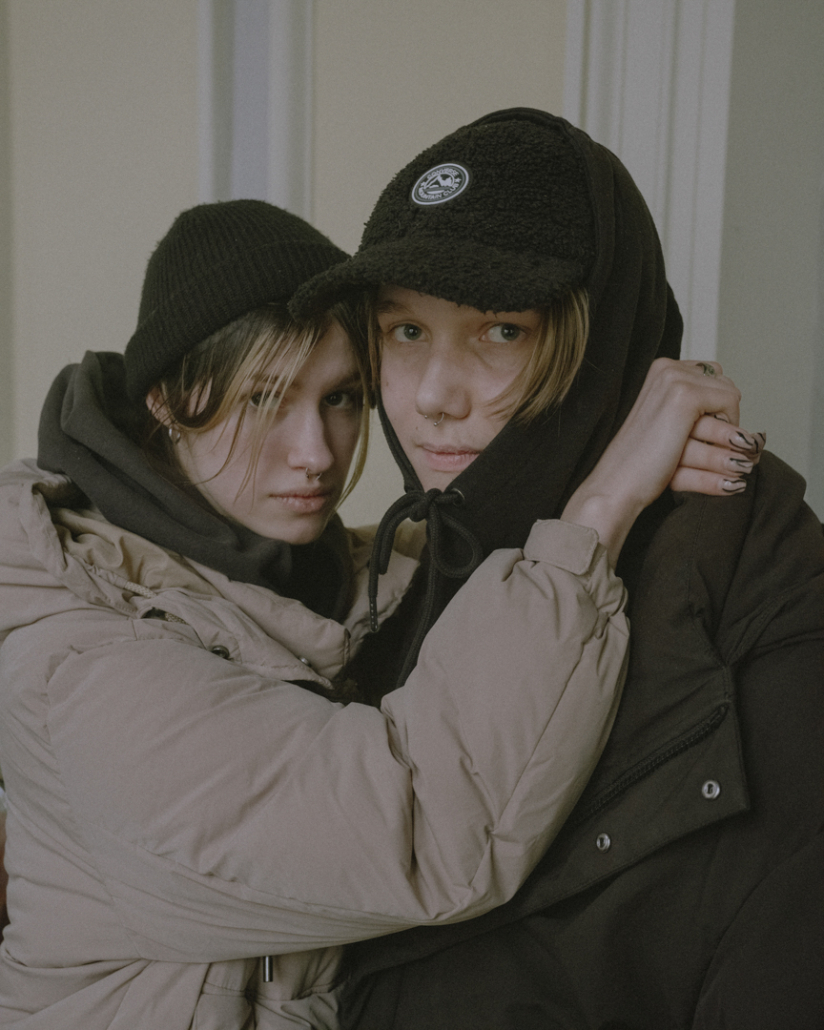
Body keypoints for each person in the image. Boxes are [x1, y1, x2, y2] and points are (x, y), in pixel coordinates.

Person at [0, 197, 753, 1029]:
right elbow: (432, 834)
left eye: (344, 398)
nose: (315, 454)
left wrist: (629, 443)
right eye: (264, 400)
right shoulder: (84, 672)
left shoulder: (309, 575)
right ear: (168, 403)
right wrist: (602, 507)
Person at [291, 109, 824, 1029]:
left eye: (502, 331)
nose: (433, 398)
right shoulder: (392, 575)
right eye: (405, 331)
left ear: (605, 340)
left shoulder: (747, 576)